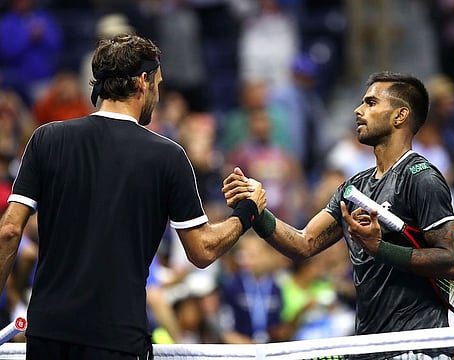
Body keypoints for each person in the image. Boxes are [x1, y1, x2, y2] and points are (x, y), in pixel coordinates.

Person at [0, 33, 266, 360]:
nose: (158, 93)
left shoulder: (46, 138)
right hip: (117, 338)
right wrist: (247, 213)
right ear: (143, 82)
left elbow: (9, 231)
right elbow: (202, 249)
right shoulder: (167, 156)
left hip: (47, 335)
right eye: (158, 84)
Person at [223, 71, 454, 360]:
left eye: (371, 103)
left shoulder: (420, 177)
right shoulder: (353, 188)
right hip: (368, 349)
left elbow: (452, 261)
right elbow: (304, 243)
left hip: (416, 348)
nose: (358, 110)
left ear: (400, 116)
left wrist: (380, 248)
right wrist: (256, 212)